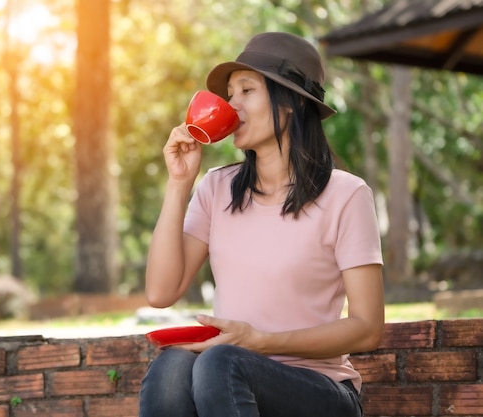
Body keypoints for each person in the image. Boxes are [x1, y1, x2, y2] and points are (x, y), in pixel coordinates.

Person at [138, 32, 385, 417]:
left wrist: (261, 342)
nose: (231, 104)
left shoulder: (347, 195)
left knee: (222, 361)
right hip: (228, 376)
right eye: (229, 93)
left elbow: (367, 328)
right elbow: (160, 291)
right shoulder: (216, 188)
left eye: (246, 91)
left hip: (321, 391)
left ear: (290, 103)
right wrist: (179, 184)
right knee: (172, 368)